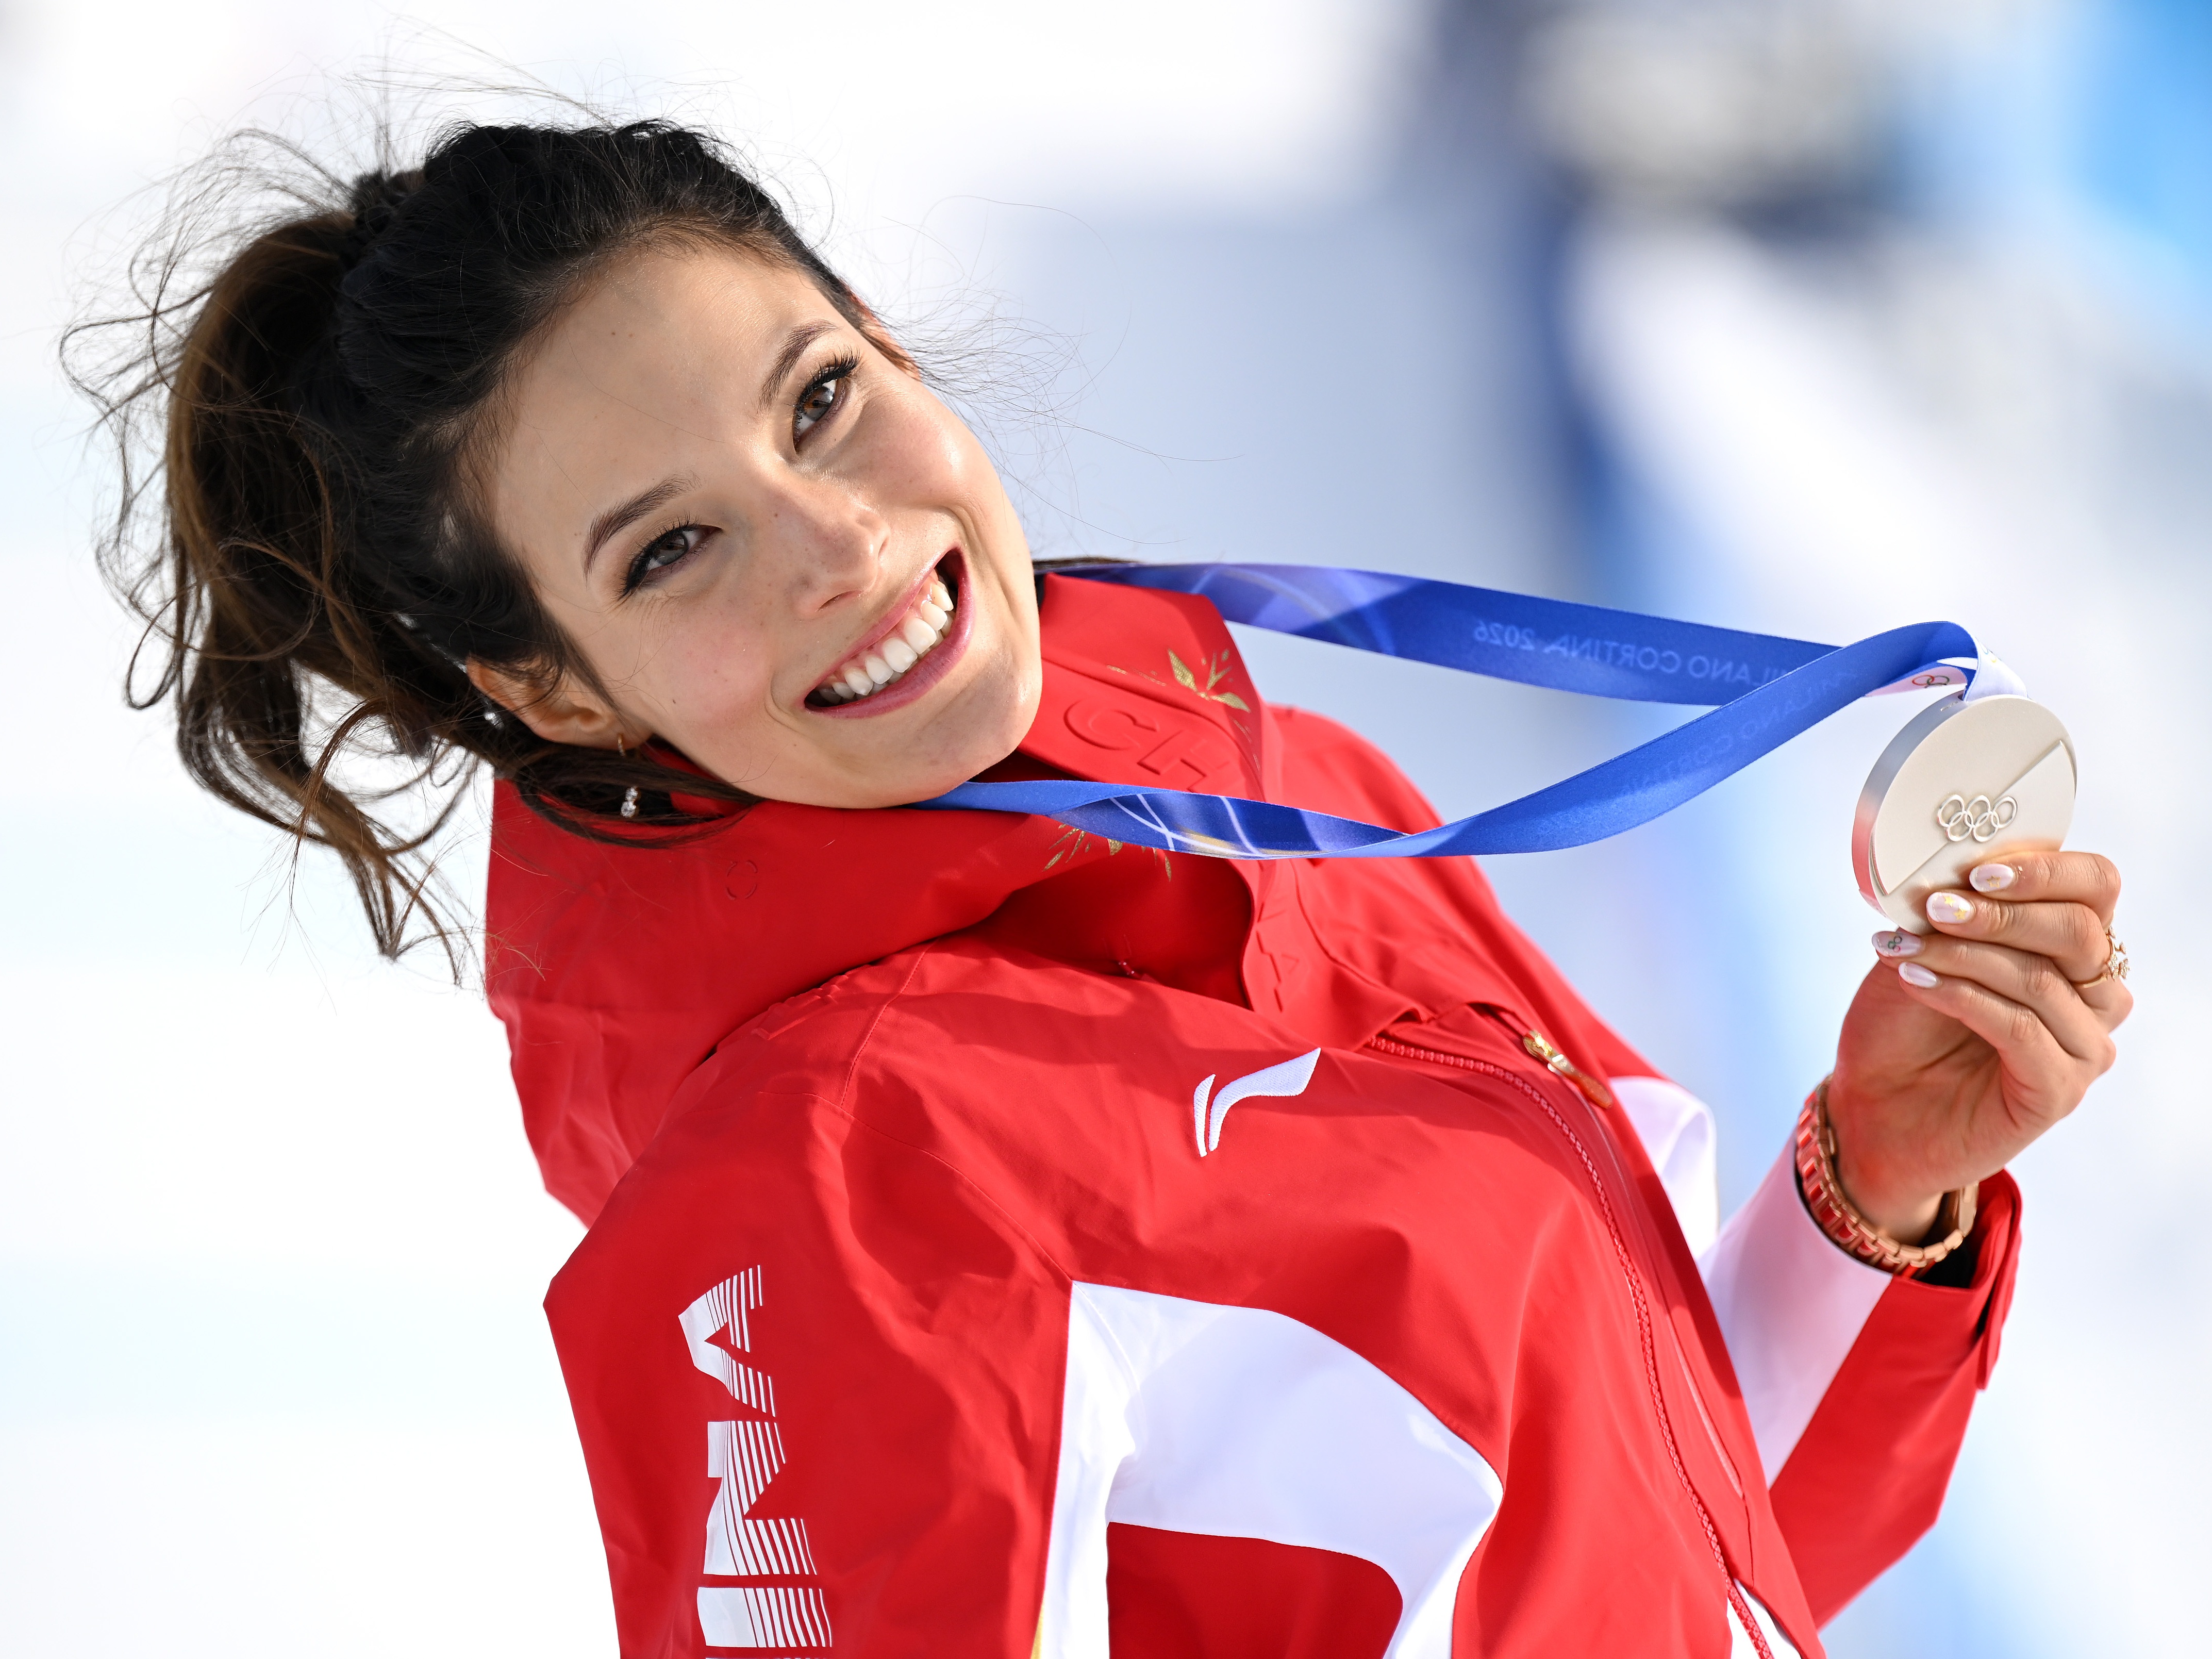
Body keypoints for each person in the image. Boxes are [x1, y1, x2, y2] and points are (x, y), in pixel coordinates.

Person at [89, 118, 2130, 1657]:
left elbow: (1657, 1537)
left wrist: (1876, 1188)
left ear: (888, 343)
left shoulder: (1295, 808)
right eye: (668, 552)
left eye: (819, 403)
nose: (837, 545)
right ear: (549, 685)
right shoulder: (824, 1180)